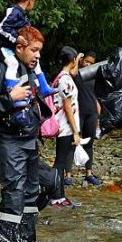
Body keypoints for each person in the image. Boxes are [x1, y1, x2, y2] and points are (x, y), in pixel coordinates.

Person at [0, 25, 44, 242]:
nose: (38, 55)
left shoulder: (30, 70)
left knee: (32, 191)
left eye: (39, 51)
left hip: (29, 139)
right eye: (34, 50)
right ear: (19, 47)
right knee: (14, 191)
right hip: (5, 140)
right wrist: (9, 98)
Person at [0, 0, 56, 109]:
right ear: (29, 0)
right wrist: (16, 38)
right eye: (34, 0)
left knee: (36, 60)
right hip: (4, 48)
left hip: (16, 48)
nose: (34, 4)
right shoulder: (13, 11)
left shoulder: (24, 16)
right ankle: (13, 92)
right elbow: (2, 28)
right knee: (13, 64)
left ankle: (44, 86)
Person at [50, 46, 81, 207]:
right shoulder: (65, 80)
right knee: (60, 162)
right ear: (73, 60)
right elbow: (68, 107)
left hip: (65, 126)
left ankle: (60, 195)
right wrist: (76, 131)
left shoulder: (63, 77)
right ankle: (56, 196)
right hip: (65, 127)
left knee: (61, 161)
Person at [75, 51, 102, 186]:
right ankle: (67, 175)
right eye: (86, 61)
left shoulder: (93, 77)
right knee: (73, 142)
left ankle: (89, 173)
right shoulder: (76, 74)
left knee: (89, 143)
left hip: (92, 112)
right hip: (78, 112)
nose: (88, 64)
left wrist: (98, 117)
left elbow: (96, 97)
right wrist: (78, 59)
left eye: (91, 63)